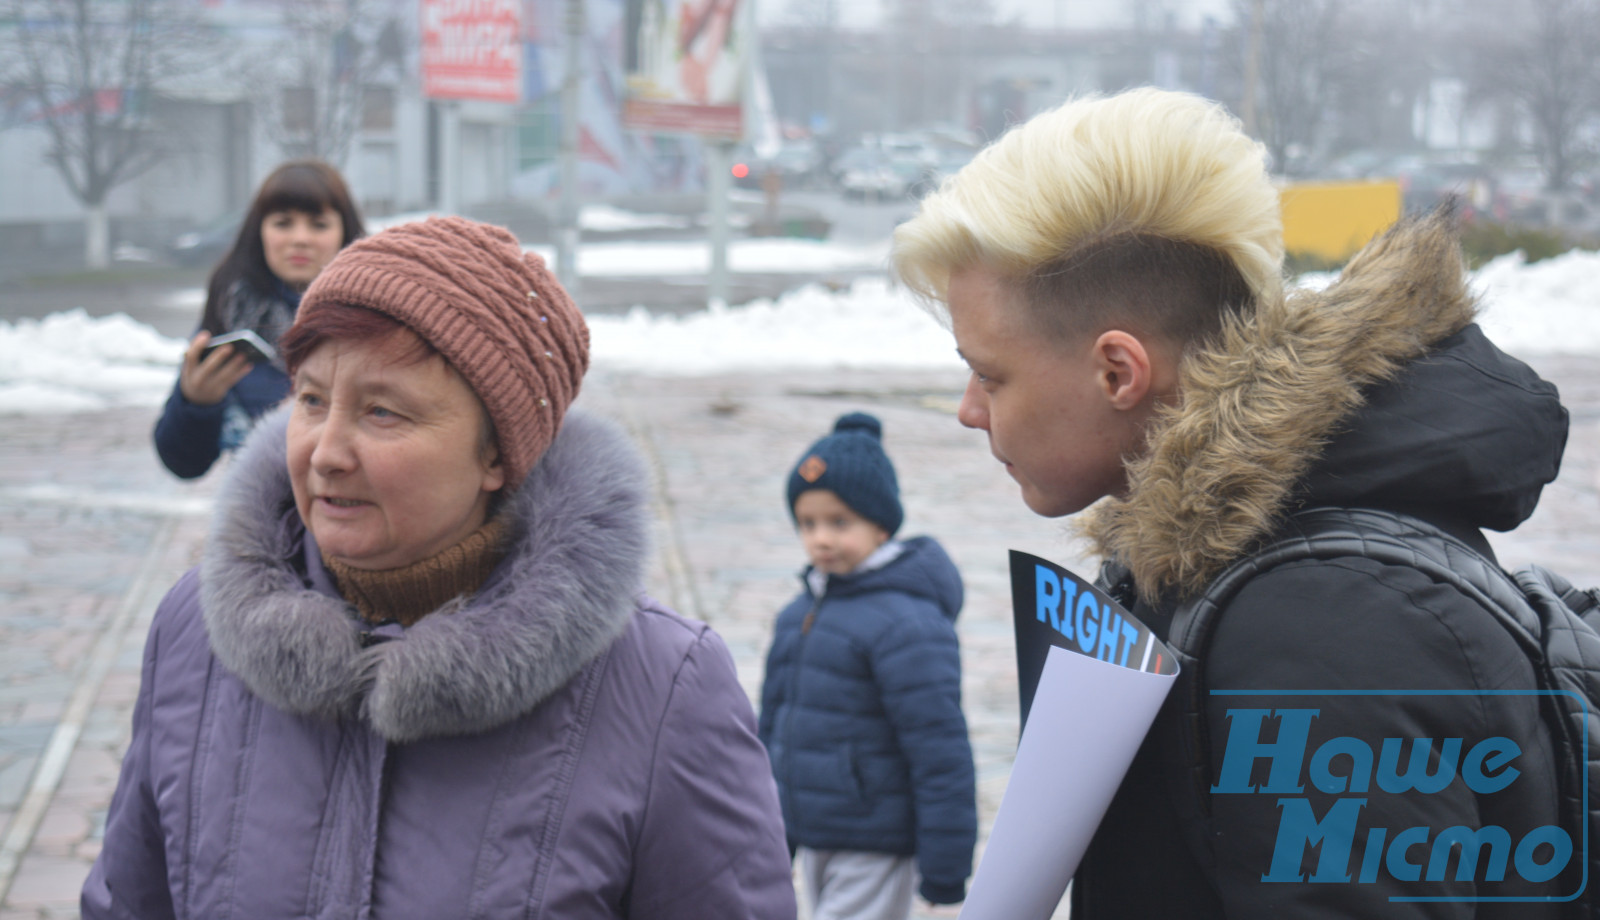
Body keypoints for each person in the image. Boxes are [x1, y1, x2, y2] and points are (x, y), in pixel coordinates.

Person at [891, 88, 1570, 917]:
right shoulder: (1228, 558)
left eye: (990, 373)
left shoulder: (1322, 625)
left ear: (1119, 372)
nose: (968, 408)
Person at [85, 217, 797, 919]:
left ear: (499, 454)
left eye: (383, 412)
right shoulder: (195, 629)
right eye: (310, 399)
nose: (325, 452)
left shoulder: (664, 686)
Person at [758, 412, 977, 920]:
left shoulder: (906, 624)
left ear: (880, 524)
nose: (821, 539)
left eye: (840, 522)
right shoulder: (800, 614)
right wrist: (767, 823)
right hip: (812, 829)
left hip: (874, 836)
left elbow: (940, 749)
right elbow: (772, 729)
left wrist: (945, 866)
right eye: (808, 524)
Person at [154, 159, 364, 479]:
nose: (300, 238)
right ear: (260, 231)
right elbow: (183, 463)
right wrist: (196, 403)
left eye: (318, 225)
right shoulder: (232, 312)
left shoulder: (374, 319)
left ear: (344, 232)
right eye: (283, 223)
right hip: (263, 515)